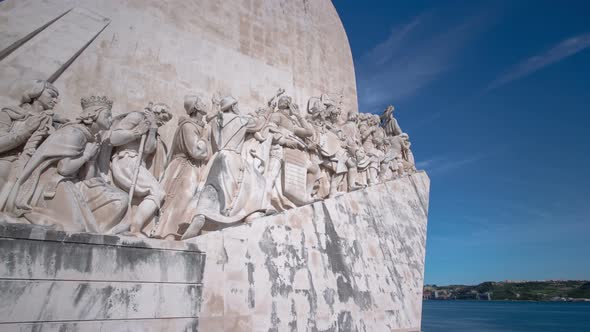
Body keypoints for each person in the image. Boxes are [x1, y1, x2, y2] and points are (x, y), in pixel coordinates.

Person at [4, 96, 124, 232]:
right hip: (48, 184)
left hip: (70, 182)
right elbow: (64, 169)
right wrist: (86, 156)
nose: (111, 118)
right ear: (93, 115)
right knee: (75, 228)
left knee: (118, 201)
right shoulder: (75, 133)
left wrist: (90, 160)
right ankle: (19, 220)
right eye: (107, 115)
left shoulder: (89, 137)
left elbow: (88, 178)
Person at [181, 96, 268, 239]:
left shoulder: (215, 121)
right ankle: (250, 214)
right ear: (233, 106)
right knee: (256, 182)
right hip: (233, 156)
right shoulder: (241, 119)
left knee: (211, 189)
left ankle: (199, 216)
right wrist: (266, 111)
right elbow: (259, 124)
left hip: (217, 158)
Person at [109, 102, 172, 235]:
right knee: (157, 192)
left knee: (157, 192)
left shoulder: (153, 128)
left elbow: (148, 149)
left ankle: (134, 226)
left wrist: (153, 129)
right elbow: (114, 138)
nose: (163, 123)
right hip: (126, 160)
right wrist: (138, 131)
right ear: (157, 113)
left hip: (137, 164)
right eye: (162, 119)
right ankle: (135, 227)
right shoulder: (136, 117)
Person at [154, 95, 211, 240]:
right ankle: (168, 234)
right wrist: (204, 137)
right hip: (184, 168)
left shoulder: (198, 126)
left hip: (195, 168)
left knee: (188, 200)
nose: (205, 104)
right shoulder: (188, 126)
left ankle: (178, 232)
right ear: (196, 107)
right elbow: (196, 151)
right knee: (181, 199)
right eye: (202, 102)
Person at [0, 80, 58, 208]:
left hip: (30, 165)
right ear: (36, 93)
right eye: (51, 95)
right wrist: (26, 131)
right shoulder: (9, 113)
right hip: (7, 160)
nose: (55, 100)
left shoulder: (50, 122)